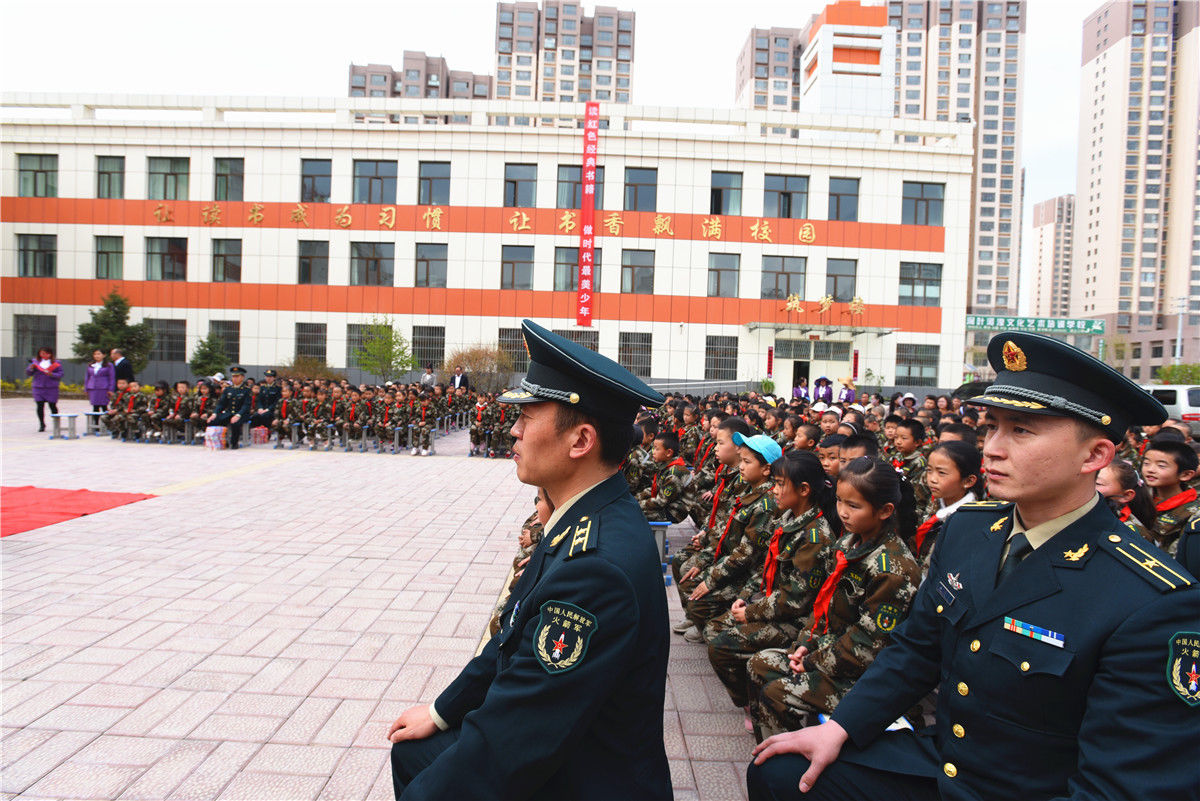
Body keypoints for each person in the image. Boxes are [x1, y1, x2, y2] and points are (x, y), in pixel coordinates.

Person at [747, 332, 1200, 801]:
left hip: (1032, 788)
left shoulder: (1150, 600)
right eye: (993, 426)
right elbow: (917, 648)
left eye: (1021, 430)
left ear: (1095, 456)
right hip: (944, 763)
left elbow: (1121, 787)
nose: (993, 448)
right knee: (780, 773)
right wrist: (841, 727)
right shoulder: (971, 530)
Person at [387, 318, 671, 800]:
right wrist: (441, 710)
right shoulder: (584, 516)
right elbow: (511, 639)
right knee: (413, 750)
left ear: (580, 441)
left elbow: (516, 735)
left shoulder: (595, 565)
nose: (513, 431)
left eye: (528, 417)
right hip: (567, 736)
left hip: (590, 775)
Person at [746, 457, 921, 741]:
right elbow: (822, 605)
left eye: (854, 506)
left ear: (885, 510)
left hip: (866, 676)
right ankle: (776, 748)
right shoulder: (849, 543)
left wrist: (813, 661)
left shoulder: (893, 570)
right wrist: (804, 645)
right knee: (759, 665)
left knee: (777, 694)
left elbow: (866, 645)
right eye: (840, 501)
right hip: (830, 654)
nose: (842, 512)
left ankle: (789, 766)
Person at [206, 366, 252, 449]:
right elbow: (221, 404)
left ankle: (234, 443)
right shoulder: (228, 389)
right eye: (233, 376)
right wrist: (215, 413)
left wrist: (238, 415)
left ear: (242, 377)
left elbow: (246, 405)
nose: (234, 379)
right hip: (229, 412)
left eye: (237, 376)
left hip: (242, 414)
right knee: (213, 421)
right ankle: (221, 441)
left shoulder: (247, 390)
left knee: (235, 423)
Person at [26, 346, 63, 432]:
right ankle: (42, 424)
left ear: (50, 354)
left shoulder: (56, 363)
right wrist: (30, 368)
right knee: (39, 405)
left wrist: (52, 374)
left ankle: (56, 424)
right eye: (41, 353)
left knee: (52, 405)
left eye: (45, 353)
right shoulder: (35, 362)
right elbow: (29, 373)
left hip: (51, 387)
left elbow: (60, 374)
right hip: (38, 387)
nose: (43, 355)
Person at [84, 348, 115, 413]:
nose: (97, 356)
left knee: (104, 405)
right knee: (95, 406)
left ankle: (106, 421)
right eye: (95, 354)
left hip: (103, 388)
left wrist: (111, 389)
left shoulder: (109, 365)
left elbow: (112, 378)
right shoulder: (91, 365)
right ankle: (95, 422)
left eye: (99, 354)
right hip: (93, 387)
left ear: (104, 355)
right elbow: (87, 377)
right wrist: (86, 388)